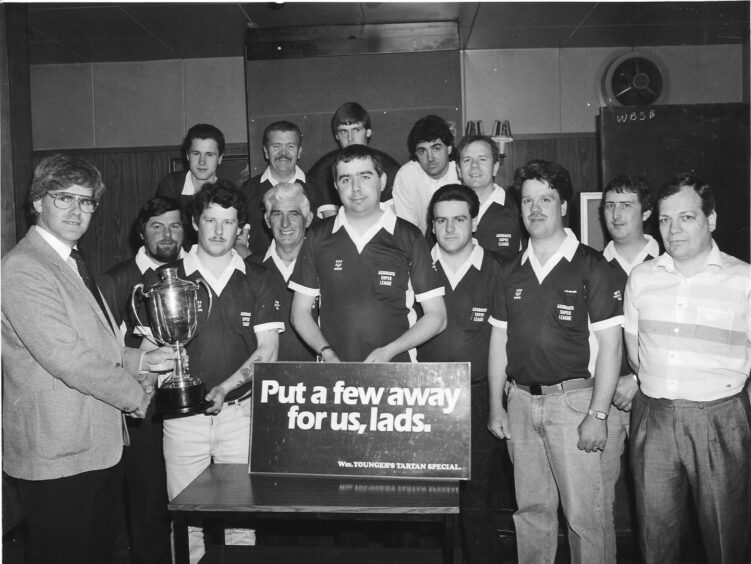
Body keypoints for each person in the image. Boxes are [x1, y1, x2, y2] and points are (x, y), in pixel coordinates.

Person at [1, 154, 176, 564]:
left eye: (86, 201)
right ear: (37, 202)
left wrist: (142, 361)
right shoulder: (23, 268)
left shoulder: (71, 262)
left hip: (93, 447)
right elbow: (68, 358)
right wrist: (137, 395)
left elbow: (95, 346)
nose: (77, 210)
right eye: (64, 198)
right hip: (57, 455)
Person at [487, 159, 623, 564]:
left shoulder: (591, 265)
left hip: (575, 404)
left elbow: (611, 348)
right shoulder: (510, 269)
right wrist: (497, 404)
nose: (535, 208)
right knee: (531, 513)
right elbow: (499, 340)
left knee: (586, 517)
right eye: (528, 200)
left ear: (564, 205)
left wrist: (597, 415)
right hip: (522, 404)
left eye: (545, 198)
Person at [142, 180, 284, 564]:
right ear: (195, 222)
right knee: (186, 520)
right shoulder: (163, 280)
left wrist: (225, 387)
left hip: (240, 413)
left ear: (241, 227)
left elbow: (267, 350)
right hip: (182, 418)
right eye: (210, 220)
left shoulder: (260, 277)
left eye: (229, 221)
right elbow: (144, 352)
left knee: (241, 518)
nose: (219, 231)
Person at [623, 174, 751, 564]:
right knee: (654, 538)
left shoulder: (743, 279)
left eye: (686, 217)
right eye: (664, 220)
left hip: (720, 417)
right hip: (654, 416)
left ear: (710, 219)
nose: (673, 230)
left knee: (726, 539)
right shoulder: (642, 278)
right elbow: (635, 353)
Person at [417, 184, 513, 563]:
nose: (450, 228)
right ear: (432, 225)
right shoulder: (418, 264)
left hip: (479, 394)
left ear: (474, 222)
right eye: (441, 220)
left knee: (477, 498)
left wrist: (496, 403)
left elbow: (505, 343)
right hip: (425, 396)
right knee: (427, 500)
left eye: (459, 219)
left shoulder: (500, 268)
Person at [289, 144, 447, 363]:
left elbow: (437, 317)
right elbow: (300, 312)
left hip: (397, 375)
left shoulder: (409, 236)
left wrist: (390, 351)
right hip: (334, 376)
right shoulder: (317, 236)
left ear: (382, 181)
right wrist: (326, 352)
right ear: (335, 185)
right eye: (346, 179)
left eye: (365, 177)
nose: (356, 188)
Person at [99, 195, 186, 564]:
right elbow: (104, 353)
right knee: (148, 504)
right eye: (157, 226)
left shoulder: (191, 273)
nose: (167, 234)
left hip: (186, 408)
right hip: (141, 412)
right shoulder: (116, 281)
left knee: (187, 502)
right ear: (141, 232)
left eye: (175, 225)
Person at [598, 174, 660, 562]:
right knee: (597, 499)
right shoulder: (591, 264)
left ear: (647, 212)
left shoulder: (667, 263)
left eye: (626, 206)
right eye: (609, 206)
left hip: (653, 400)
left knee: (657, 501)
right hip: (601, 399)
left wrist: (636, 379)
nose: (616, 215)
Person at [248, 182, 317, 360]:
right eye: (277, 214)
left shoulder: (325, 265)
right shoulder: (249, 268)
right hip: (265, 381)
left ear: (308, 219)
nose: (285, 224)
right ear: (267, 220)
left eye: (293, 214)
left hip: (318, 380)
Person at [305, 102, 400, 218]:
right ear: (336, 136)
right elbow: (331, 226)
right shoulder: (323, 171)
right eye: (343, 131)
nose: (350, 138)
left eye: (356, 129)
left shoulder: (390, 168)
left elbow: (392, 221)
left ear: (368, 132)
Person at [240, 120, 309, 257]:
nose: (283, 153)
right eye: (276, 146)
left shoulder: (316, 189)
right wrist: (258, 270)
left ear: (299, 152)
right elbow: (239, 243)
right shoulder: (247, 191)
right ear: (266, 151)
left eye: (290, 146)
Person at [156, 123, 228, 245]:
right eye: (196, 153)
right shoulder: (171, 184)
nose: (202, 162)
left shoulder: (226, 192)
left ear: (220, 158)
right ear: (187, 155)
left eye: (209, 155)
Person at [455, 134, 523, 260]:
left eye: (482, 159)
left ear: (495, 167)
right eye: (467, 160)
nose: (474, 165)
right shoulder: (446, 208)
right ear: (459, 170)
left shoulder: (518, 208)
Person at [392, 114, 460, 235]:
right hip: (421, 246)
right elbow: (408, 231)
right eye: (422, 151)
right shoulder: (407, 175)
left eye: (436, 148)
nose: (430, 158)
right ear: (416, 154)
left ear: (449, 148)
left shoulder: (461, 172)